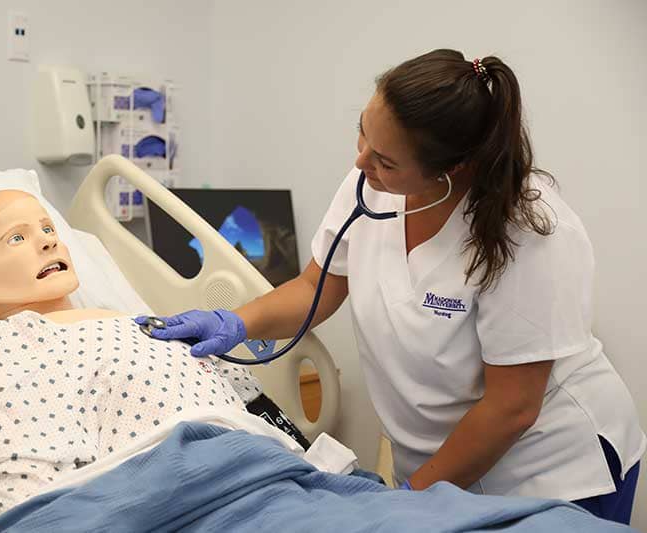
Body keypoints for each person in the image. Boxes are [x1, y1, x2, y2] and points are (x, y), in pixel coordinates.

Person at [136, 49, 645, 525]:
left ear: (451, 170)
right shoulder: (371, 183)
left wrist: (410, 501)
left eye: (385, 160)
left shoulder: (530, 231)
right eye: (362, 135)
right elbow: (316, 286)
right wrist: (236, 321)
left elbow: (511, 407)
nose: (361, 163)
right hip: (441, 470)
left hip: (550, 467)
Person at [0, 190, 311, 522]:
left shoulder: (137, 319)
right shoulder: (8, 345)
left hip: (277, 474)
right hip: (196, 498)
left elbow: (254, 404)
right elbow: (29, 492)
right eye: (17, 238)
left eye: (49, 230)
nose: (47, 244)